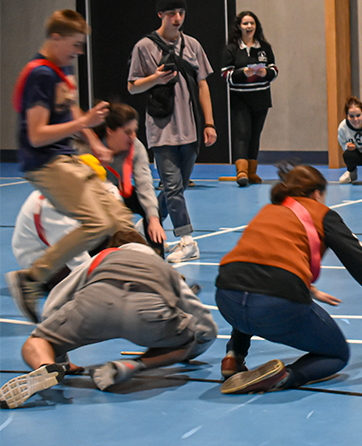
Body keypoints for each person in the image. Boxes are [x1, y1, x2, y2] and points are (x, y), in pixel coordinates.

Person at [214, 164, 362, 394]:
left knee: (248, 284)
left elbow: (258, 261)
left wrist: (309, 289)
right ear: (316, 193)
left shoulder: (268, 210)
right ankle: (284, 376)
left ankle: (233, 355)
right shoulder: (322, 214)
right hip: (276, 304)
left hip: (227, 298)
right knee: (337, 354)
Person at [6, 9, 135, 325]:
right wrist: (84, 122)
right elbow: (36, 136)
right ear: (56, 38)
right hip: (45, 163)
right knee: (97, 223)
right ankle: (31, 278)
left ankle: (145, 282)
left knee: (121, 220)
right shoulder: (41, 75)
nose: (78, 52)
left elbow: (71, 108)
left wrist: (92, 140)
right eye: (74, 45)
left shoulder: (62, 70)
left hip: (68, 158)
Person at [0, 229, 217, 409]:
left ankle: (45, 367)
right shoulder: (161, 265)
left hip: (95, 304)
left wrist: (58, 353)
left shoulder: (104, 257)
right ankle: (134, 366)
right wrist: (199, 342)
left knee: (36, 342)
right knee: (190, 337)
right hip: (147, 314)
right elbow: (199, 316)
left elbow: (56, 299)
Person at [128, 0, 216, 263]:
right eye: (171, 13)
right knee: (173, 186)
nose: (177, 18)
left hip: (190, 128)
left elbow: (203, 85)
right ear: (160, 15)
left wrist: (209, 123)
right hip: (161, 129)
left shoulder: (193, 45)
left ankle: (145, 231)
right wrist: (154, 78)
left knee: (173, 189)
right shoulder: (144, 47)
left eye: (181, 13)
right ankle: (187, 240)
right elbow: (132, 87)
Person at [11, 156, 120, 291]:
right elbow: (77, 260)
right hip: (40, 258)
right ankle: (30, 280)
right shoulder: (50, 204)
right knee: (84, 283)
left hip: (60, 245)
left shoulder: (101, 188)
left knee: (108, 233)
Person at [91, 103, 166, 256]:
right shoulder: (89, 148)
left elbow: (144, 184)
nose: (133, 137)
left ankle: (157, 258)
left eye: (135, 131)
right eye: (127, 132)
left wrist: (153, 218)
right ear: (110, 131)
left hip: (120, 195)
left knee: (152, 210)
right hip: (94, 200)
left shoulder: (136, 147)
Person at [220, 10, 278, 187]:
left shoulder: (264, 48)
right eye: (245, 23)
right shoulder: (231, 49)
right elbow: (225, 74)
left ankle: (252, 172)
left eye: (252, 23)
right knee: (242, 134)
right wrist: (243, 73)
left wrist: (265, 72)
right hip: (240, 99)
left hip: (261, 98)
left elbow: (274, 71)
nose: (249, 26)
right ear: (239, 26)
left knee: (255, 135)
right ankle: (242, 172)